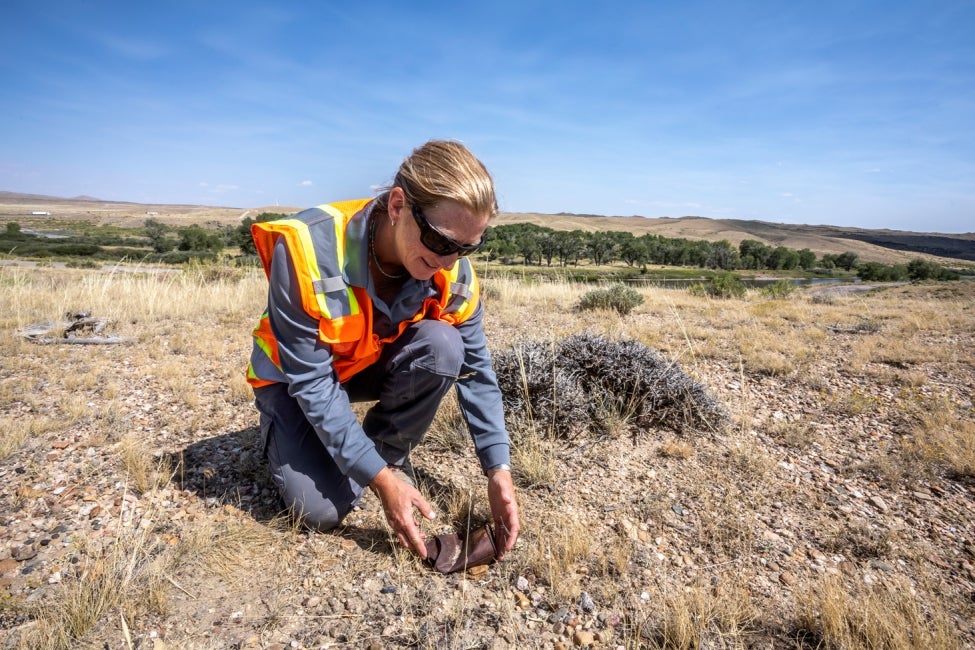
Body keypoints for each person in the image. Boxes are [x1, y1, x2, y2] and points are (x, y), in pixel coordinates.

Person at [246, 140, 520, 561]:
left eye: (468, 247)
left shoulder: (454, 271)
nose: (450, 262)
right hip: (295, 380)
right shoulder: (305, 249)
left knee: (444, 345)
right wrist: (378, 483)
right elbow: (313, 381)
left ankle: (384, 454)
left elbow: (477, 371)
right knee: (316, 511)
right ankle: (354, 460)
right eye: (442, 242)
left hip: (364, 366)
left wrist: (498, 468)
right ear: (397, 206)